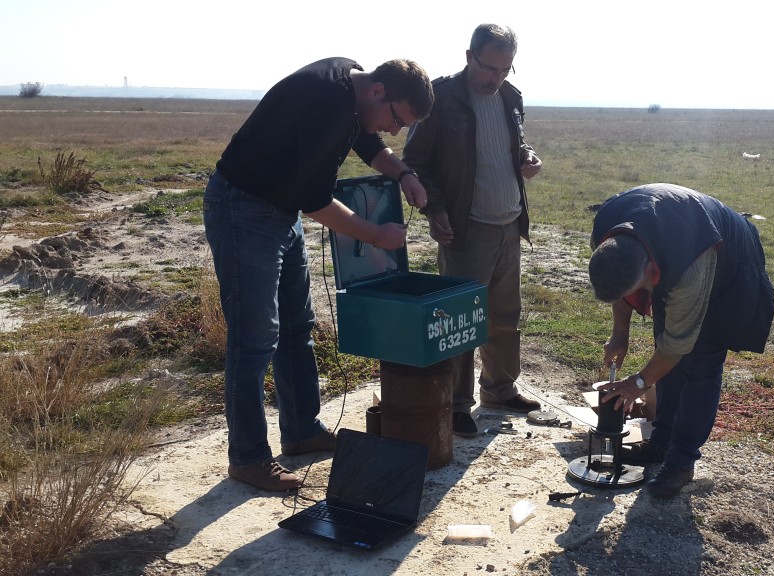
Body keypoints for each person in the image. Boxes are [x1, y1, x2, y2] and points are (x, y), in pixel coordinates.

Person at [204, 57, 434, 491]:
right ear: (379, 92)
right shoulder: (327, 103)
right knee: (254, 339)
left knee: (296, 325)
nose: (394, 131)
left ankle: (301, 430)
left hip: (279, 208)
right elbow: (316, 202)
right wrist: (377, 236)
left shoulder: (354, 83)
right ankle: (249, 458)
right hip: (244, 208)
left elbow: (366, 140)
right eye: (398, 119)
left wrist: (404, 174)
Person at [590, 183, 774, 498]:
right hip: (672, 247)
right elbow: (622, 286)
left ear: (651, 270)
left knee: (700, 361)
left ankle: (681, 461)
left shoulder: (688, 266)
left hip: (727, 263)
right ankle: (661, 442)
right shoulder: (607, 234)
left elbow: (677, 344)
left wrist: (637, 384)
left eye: (644, 286)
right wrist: (620, 335)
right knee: (667, 353)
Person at [402, 24, 543, 437]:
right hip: (467, 229)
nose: (494, 79)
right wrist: (436, 211)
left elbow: (515, 147)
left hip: (508, 224)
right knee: (461, 322)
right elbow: (416, 162)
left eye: (504, 70)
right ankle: (456, 404)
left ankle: (499, 390)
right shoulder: (440, 98)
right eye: (488, 69)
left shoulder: (511, 98)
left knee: (504, 316)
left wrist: (529, 158)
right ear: (469, 57)